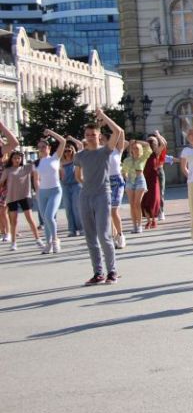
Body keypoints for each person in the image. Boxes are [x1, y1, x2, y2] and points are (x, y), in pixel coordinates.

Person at [74, 111, 125, 285]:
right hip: (85, 196)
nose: (90, 137)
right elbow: (78, 175)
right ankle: (98, 273)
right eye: (87, 135)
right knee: (90, 237)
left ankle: (112, 271)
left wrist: (104, 116)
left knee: (104, 235)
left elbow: (118, 132)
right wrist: (86, 186)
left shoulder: (105, 151)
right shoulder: (80, 155)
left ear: (99, 136)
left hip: (103, 195)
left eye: (93, 135)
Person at [1, 151, 43, 251]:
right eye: (15, 158)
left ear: (21, 159)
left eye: (19, 158)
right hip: (11, 197)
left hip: (25, 196)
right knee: (14, 221)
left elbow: (39, 162)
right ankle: (14, 243)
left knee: (30, 218)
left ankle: (38, 239)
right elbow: (1, 182)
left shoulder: (27, 167)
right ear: (11, 159)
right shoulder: (8, 170)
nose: (17, 160)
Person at [36, 130, 68, 254]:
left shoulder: (55, 157)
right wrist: (38, 192)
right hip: (43, 192)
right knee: (45, 219)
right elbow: (36, 179)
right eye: (39, 147)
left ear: (48, 148)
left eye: (44, 147)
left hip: (55, 190)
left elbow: (63, 141)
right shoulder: (37, 163)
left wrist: (50, 132)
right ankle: (48, 243)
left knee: (49, 216)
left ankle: (55, 240)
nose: (42, 149)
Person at [121, 139, 151, 234]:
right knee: (132, 204)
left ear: (141, 149)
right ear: (131, 150)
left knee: (137, 203)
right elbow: (123, 171)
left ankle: (139, 225)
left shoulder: (143, 157)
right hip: (130, 181)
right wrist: (125, 176)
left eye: (137, 148)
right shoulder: (127, 160)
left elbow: (148, 146)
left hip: (139, 180)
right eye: (134, 148)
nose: (135, 150)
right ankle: (134, 225)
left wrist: (137, 141)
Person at [141, 133, 168, 229]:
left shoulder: (156, 153)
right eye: (149, 141)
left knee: (153, 200)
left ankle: (154, 220)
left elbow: (164, 144)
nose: (151, 143)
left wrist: (158, 135)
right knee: (144, 201)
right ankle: (148, 220)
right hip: (144, 178)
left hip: (154, 179)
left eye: (153, 142)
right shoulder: (143, 152)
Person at [107, 130, 127, 246]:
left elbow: (120, 131)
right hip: (105, 183)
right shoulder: (101, 152)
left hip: (117, 182)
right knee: (108, 212)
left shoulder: (117, 151)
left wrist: (104, 117)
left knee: (114, 211)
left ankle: (120, 235)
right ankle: (113, 235)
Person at [60, 139, 83, 237]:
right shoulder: (60, 161)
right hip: (65, 186)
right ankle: (72, 229)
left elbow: (81, 145)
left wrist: (71, 138)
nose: (67, 153)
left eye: (69, 150)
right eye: (65, 151)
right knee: (68, 208)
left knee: (76, 207)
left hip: (76, 184)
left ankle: (81, 228)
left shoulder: (76, 159)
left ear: (72, 151)